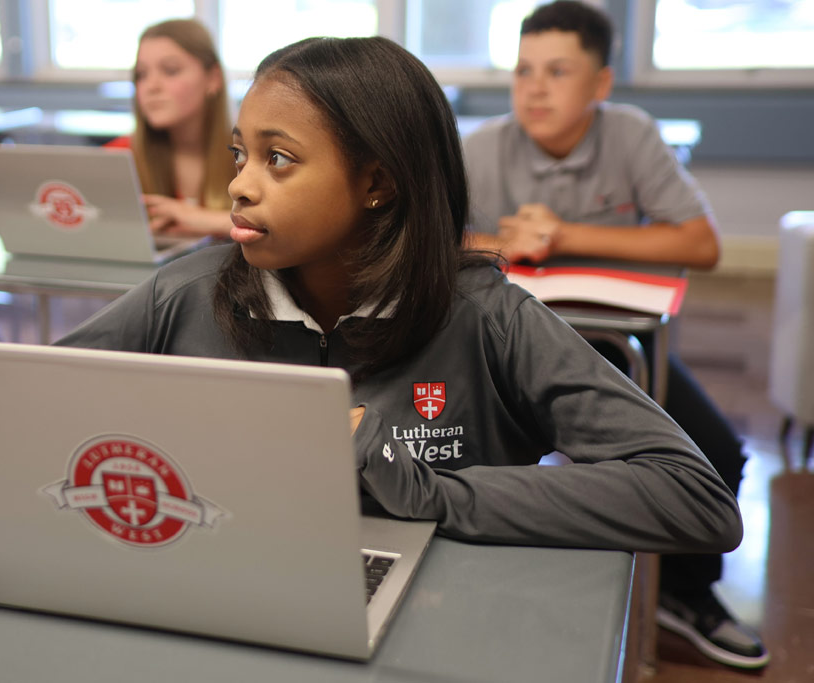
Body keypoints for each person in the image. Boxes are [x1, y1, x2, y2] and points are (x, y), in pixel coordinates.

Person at [59, 34, 741, 571]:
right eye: (240, 154)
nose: (239, 185)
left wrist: (435, 494)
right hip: (220, 584)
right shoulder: (185, 294)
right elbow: (16, 407)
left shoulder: (484, 316)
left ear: (377, 182)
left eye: (279, 159)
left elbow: (694, 497)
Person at [461, 1, 767, 670]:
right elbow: (426, 237)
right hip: (508, 353)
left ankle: (685, 595)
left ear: (600, 84)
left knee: (714, 452)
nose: (534, 89)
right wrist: (500, 240)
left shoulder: (630, 135)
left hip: (612, 350)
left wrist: (562, 236)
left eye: (558, 71)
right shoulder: (481, 145)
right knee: (482, 463)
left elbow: (701, 242)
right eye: (522, 70)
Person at [106, 18, 235, 238]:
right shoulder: (117, 157)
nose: (151, 86)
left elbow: (288, 227)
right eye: (141, 75)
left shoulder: (253, 157)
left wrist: (203, 219)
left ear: (213, 78)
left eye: (170, 70)